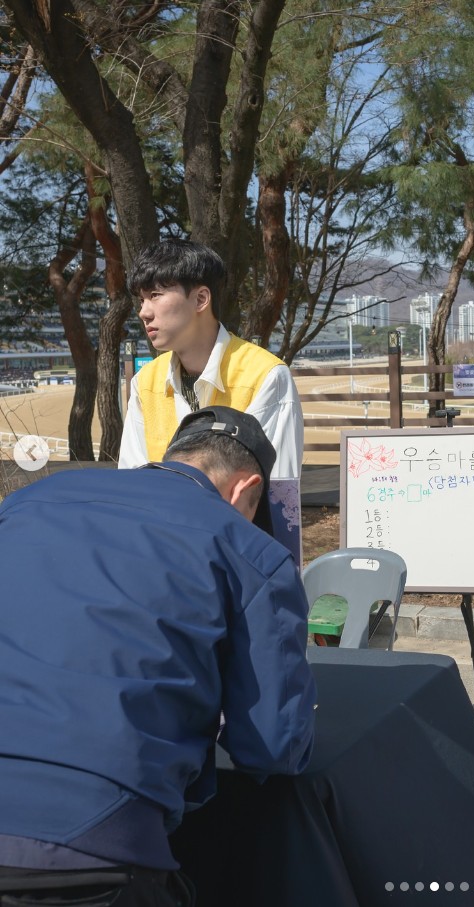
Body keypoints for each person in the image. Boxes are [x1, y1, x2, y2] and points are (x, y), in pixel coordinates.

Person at [0, 406, 317, 906]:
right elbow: (272, 746)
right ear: (245, 489)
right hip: (92, 842)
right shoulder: (247, 548)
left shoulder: (26, 502)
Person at [118, 239, 304, 561]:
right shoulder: (144, 383)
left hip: (242, 560)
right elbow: (133, 483)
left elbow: (278, 495)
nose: (143, 311)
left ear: (201, 298)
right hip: (163, 558)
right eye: (142, 298)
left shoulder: (265, 375)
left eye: (156, 295)